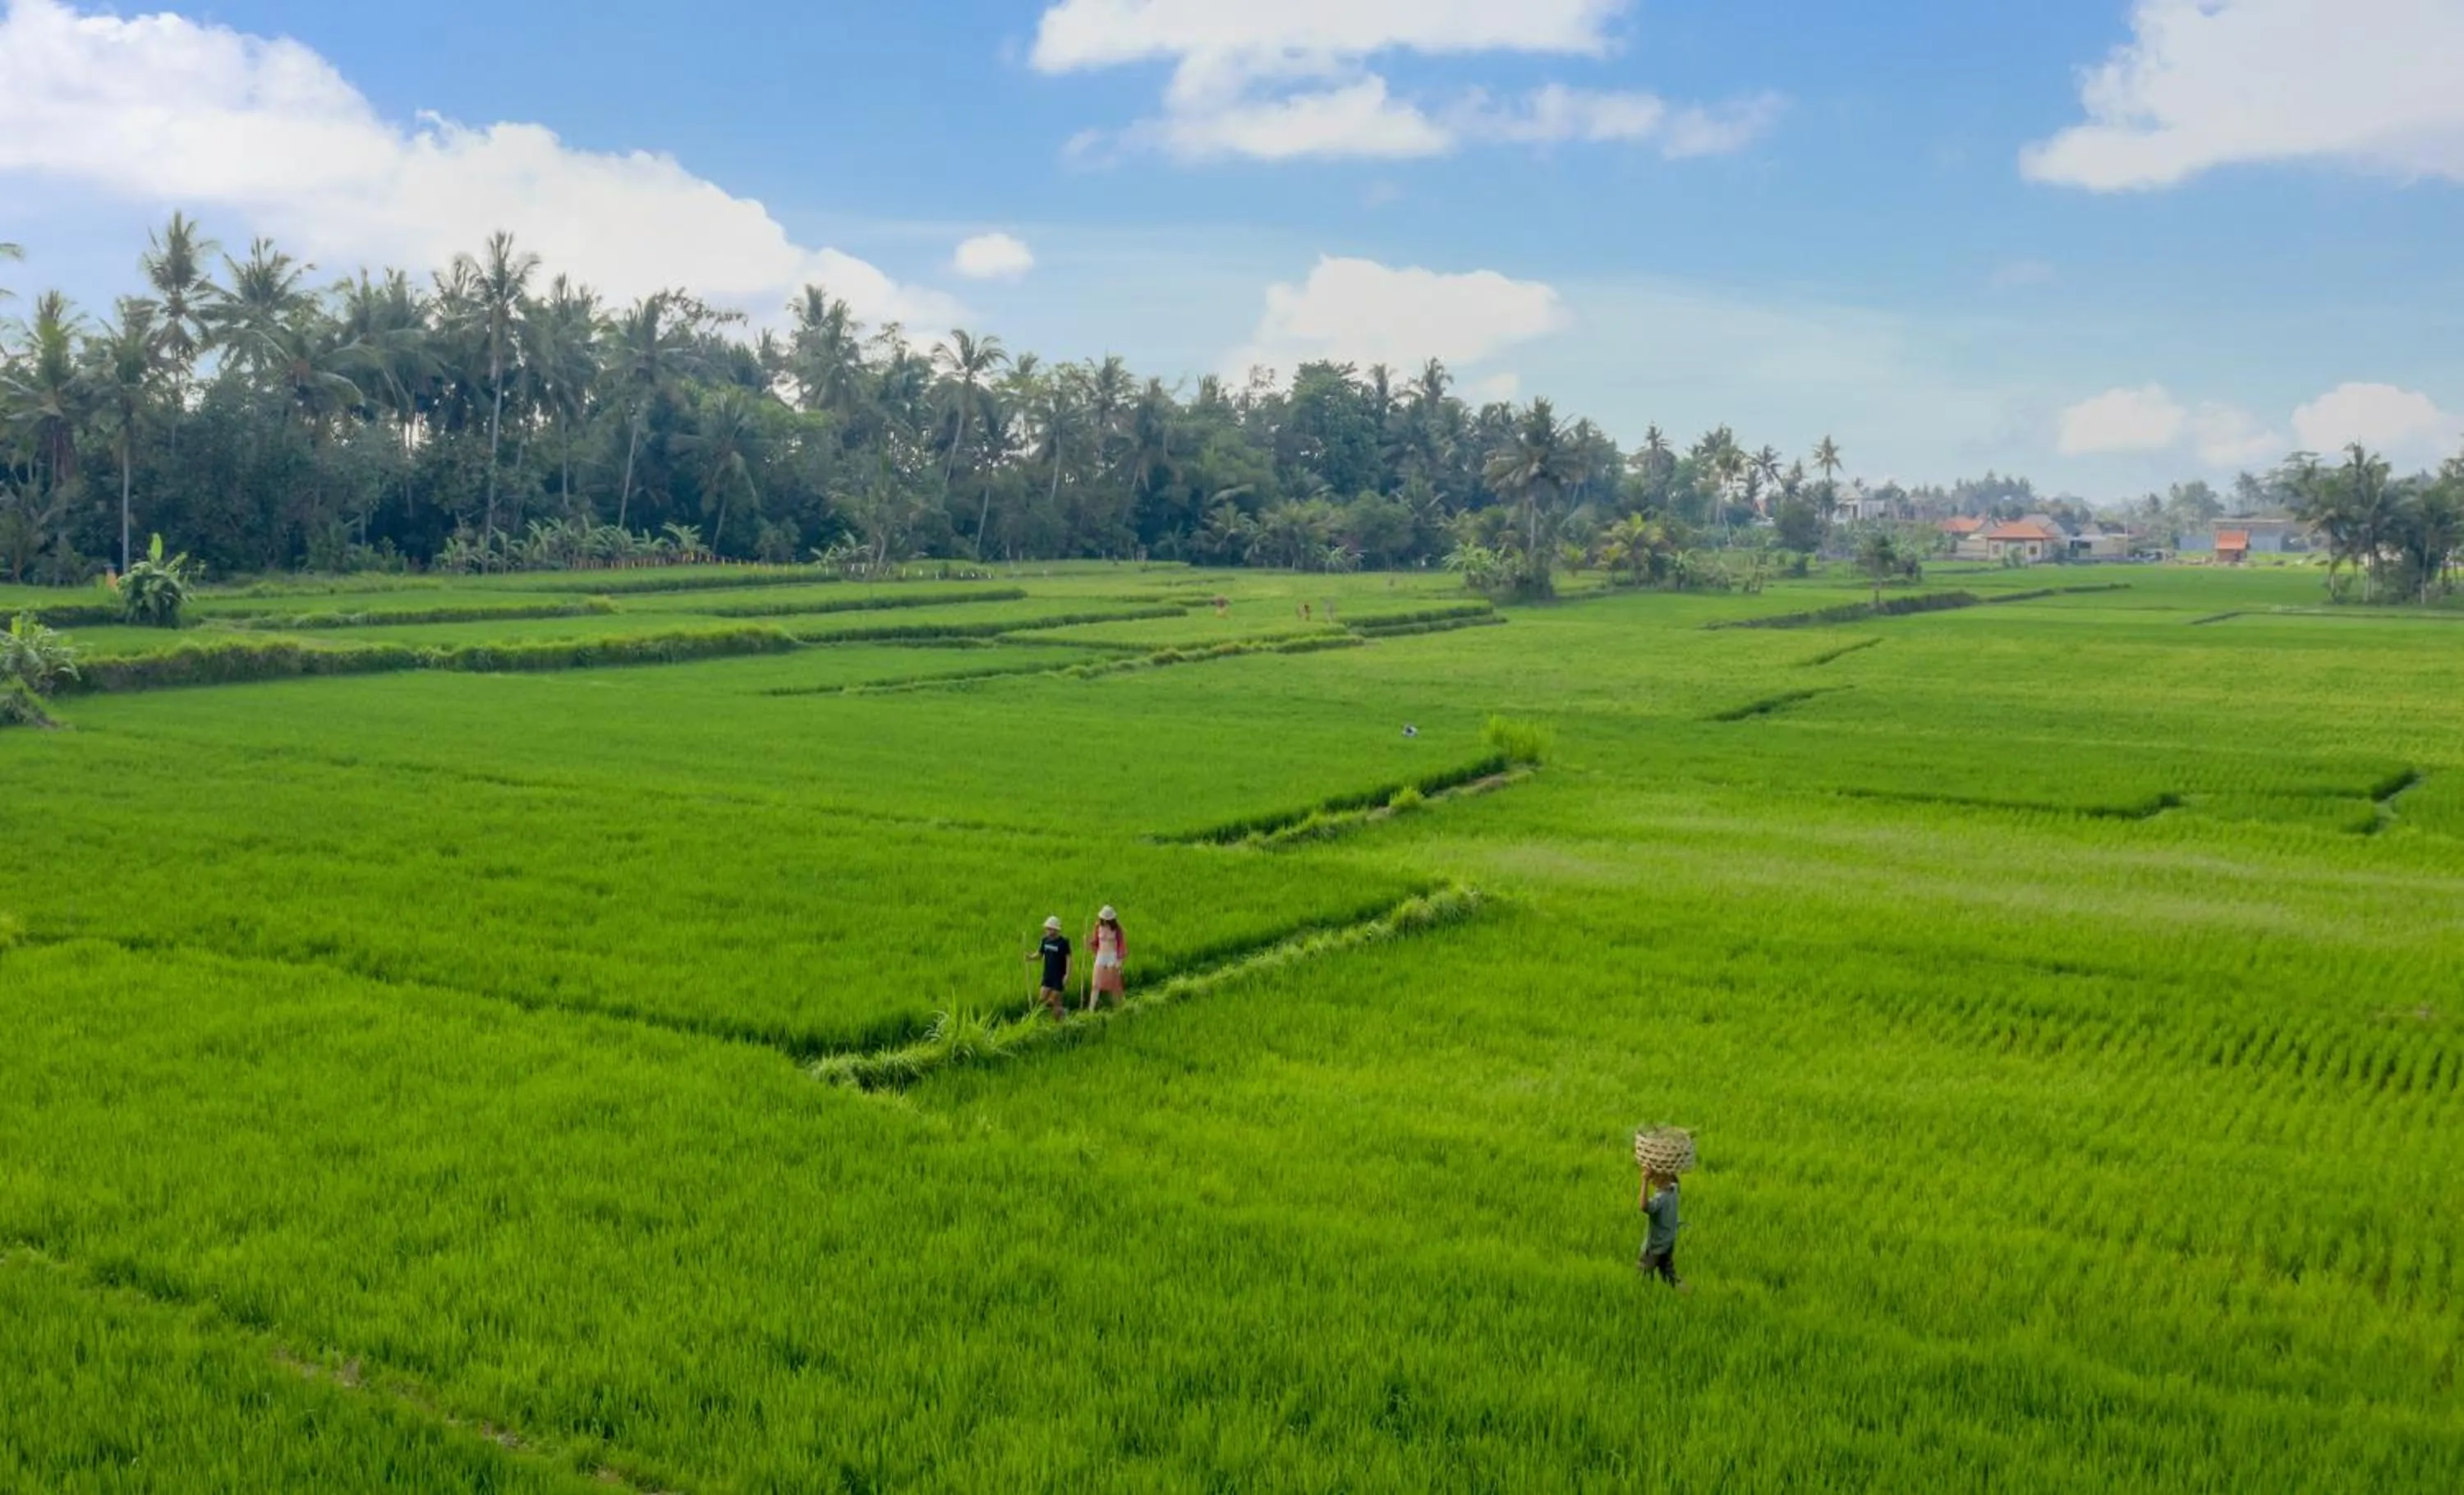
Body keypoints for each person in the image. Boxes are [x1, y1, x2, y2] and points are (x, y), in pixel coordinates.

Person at [1639, 1171, 1689, 1292]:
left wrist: (1644, 1181)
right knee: (1669, 1274)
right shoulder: (1674, 1189)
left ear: (1663, 1177)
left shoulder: (1660, 1199)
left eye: (1654, 1175)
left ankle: (1643, 1298)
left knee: (1643, 1275)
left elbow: (1644, 1207)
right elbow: (1675, 1179)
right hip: (1668, 1242)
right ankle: (1686, 1292)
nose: (1652, 1179)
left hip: (1655, 1246)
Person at [1028, 916, 1071, 1020]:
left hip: (1059, 976)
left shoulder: (1063, 942)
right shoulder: (1044, 940)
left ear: (1055, 930)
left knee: (1053, 1001)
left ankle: (1060, 1017)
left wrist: (1067, 975)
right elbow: (1039, 954)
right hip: (1048, 975)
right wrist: (1030, 957)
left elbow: (1069, 959)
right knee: (1042, 999)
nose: (1047, 930)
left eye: (1049, 929)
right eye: (1046, 928)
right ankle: (1062, 1013)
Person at [1087, 905, 1129, 1010]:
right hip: (1101, 955)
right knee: (1096, 984)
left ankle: (1119, 1006)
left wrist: (1120, 960)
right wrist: (1088, 942)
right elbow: (1096, 942)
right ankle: (1091, 1009)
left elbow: (1121, 945)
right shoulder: (1098, 927)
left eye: (1107, 919)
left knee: (1114, 984)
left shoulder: (1117, 929)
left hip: (1112, 956)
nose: (1105, 921)